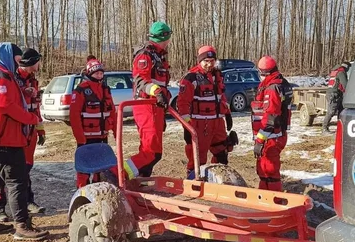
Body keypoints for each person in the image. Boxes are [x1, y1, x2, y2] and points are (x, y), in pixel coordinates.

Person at [0, 43, 48, 241]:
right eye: (17, 57)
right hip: (1, 139)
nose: (19, 61)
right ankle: (22, 226)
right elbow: (5, 105)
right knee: (17, 181)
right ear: (8, 56)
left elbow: (6, 99)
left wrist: (25, 94)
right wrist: (31, 118)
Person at [0, 48, 45, 220]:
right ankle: (0, 207)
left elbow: (36, 107)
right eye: (38, 61)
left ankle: (28, 201)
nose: (40, 64)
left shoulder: (33, 80)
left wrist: (40, 129)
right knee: (7, 171)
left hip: (29, 132)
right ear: (31, 62)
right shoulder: (12, 79)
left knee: (26, 168)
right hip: (15, 131)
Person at [125, 21, 172, 179]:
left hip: (156, 107)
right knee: (149, 152)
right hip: (145, 106)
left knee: (156, 153)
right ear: (165, 38)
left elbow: (162, 84)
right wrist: (156, 91)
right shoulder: (145, 54)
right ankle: (118, 174)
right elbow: (140, 80)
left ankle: (142, 179)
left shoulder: (159, 56)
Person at [177, 45, 233, 174]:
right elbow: (182, 103)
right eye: (206, 61)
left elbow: (221, 97)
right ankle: (193, 182)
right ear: (200, 61)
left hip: (218, 123)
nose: (209, 64)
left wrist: (227, 114)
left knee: (222, 154)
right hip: (200, 124)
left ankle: (217, 179)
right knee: (198, 158)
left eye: (212, 61)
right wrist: (187, 125)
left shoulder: (217, 76)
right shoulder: (191, 78)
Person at [70, 57, 116, 187]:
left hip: (102, 136)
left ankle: (98, 186)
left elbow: (112, 111)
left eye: (101, 73)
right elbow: (74, 116)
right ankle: (82, 189)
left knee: (100, 165)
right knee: (84, 166)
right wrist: (80, 137)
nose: (100, 76)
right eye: (97, 73)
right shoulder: (81, 90)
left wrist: (116, 131)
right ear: (90, 73)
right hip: (86, 137)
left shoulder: (105, 89)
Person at [251, 56, 293, 192]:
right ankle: (263, 198)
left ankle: (274, 200)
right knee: (264, 171)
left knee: (269, 171)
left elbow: (271, 118)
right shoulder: (279, 83)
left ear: (265, 73)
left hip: (271, 137)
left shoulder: (272, 88)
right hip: (273, 135)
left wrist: (260, 140)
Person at [322, 61, 352, 134]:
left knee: (341, 111)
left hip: (335, 94)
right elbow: (345, 84)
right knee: (331, 112)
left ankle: (340, 127)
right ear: (346, 67)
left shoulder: (335, 71)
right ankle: (324, 128)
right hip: (334, 95)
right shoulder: (341, 72)